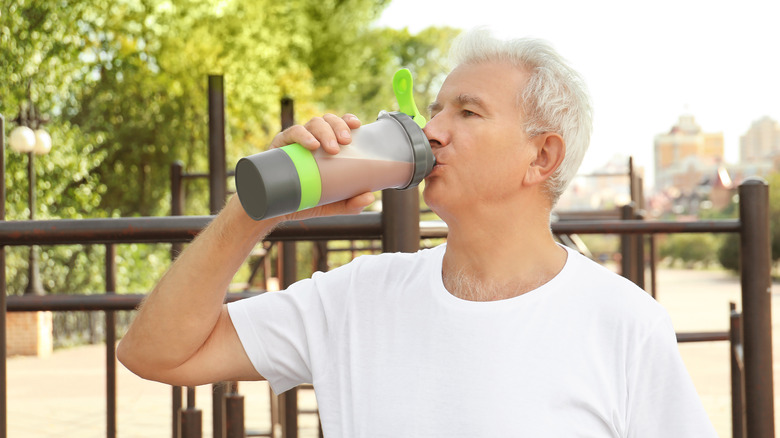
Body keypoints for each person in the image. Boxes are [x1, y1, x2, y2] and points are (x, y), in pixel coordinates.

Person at [118, 29, 717, 436]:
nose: (432, 130)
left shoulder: (623, 321)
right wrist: (255, 213)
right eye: (433, 110)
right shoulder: (356, 297)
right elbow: (153, 353)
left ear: (542, 157)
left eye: (467, 111)